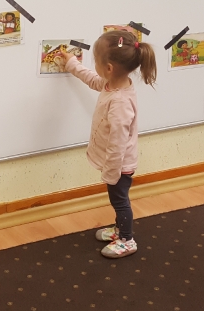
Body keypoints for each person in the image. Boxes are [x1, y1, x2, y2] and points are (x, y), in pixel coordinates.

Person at [59, 30, 157, 258]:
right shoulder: (112, 84)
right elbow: (93, 80)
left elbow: (118, 144)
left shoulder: (120, 102)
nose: (94, 66)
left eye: (96, 61)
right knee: (117, 199)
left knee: (120, 201)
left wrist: (112, 173)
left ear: (109, 68)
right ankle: (119, 229)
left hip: (119, 165)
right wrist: (72, 64)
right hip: (115, 163)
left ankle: (127, 239)